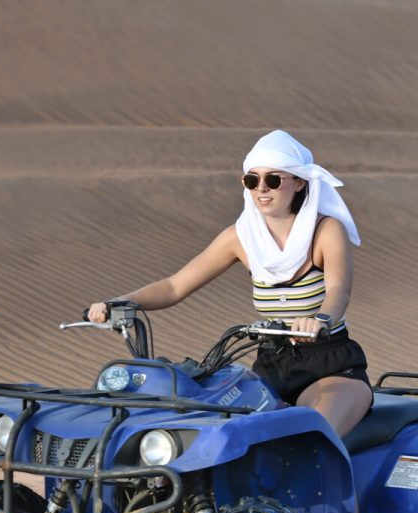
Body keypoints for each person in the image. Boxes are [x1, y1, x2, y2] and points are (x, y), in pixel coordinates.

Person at [87, 130, 372, 436]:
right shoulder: (241, 238)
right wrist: (119, 302)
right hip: (271, 366)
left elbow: (338, 291)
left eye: (273, 180)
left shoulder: (326, 230)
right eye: (252, 180)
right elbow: (175, 286)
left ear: (299, 182)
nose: (262, 189)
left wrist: (320, 320)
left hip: (329, 365)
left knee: (314, 436)